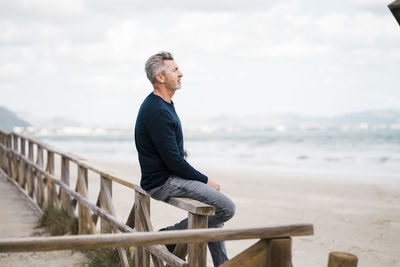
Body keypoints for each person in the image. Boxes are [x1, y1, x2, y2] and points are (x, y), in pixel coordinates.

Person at [134, 51, 235, 266]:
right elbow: (173, 162)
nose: (181, 74)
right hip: (162, 182)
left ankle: (222, 264)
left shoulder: (163, 103)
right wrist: (204, 179)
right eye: (175, 70)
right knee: (226, 208)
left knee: (212, 209)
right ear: (160, 78)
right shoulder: (157, 110)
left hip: (170, 175)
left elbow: (172, 153)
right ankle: (169, 237)